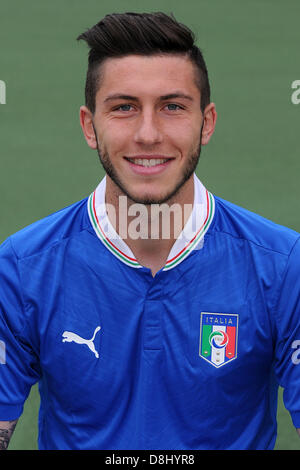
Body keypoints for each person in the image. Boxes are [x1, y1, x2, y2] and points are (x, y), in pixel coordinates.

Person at [0, 11, 299, 451]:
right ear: (89, 126)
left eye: (172, 107)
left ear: (207, 123)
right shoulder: (23, 267)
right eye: (124, 108)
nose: (147, 134)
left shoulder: (283, 265)